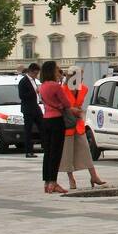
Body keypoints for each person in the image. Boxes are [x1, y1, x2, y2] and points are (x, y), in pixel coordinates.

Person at [60, 69, 106, 190]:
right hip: (67, 125)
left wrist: (77, 110)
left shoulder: (83, 89)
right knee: (67, 153)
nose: (80, 80)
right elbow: (60, 107)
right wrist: (71, 110)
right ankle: (71, 178)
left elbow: (79, 104)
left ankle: (94, 176)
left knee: (85, 150)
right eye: (78, 77)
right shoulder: (62, 90)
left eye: (81, 77)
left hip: (78, 123)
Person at [38, 60, 73, 194]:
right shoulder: (55, 86)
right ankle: (54, 182)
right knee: (56, 152)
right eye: (57, 69)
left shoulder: (42, 86)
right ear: (52, 71)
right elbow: (67, 103)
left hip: (46, 119)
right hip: (56, 120)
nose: (59, 71)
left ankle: (47, 182)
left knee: (48, 152)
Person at [17, 63, 42, 158]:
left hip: (36, 107)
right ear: (31, 71)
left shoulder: (34, 81)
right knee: (28, 130)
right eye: (35, 73)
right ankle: (28, 151)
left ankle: (44, 146)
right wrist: (34, 92)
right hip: (28, 109)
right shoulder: (23, 81)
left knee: (42, 126)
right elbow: (22, 96)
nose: (36, 75)